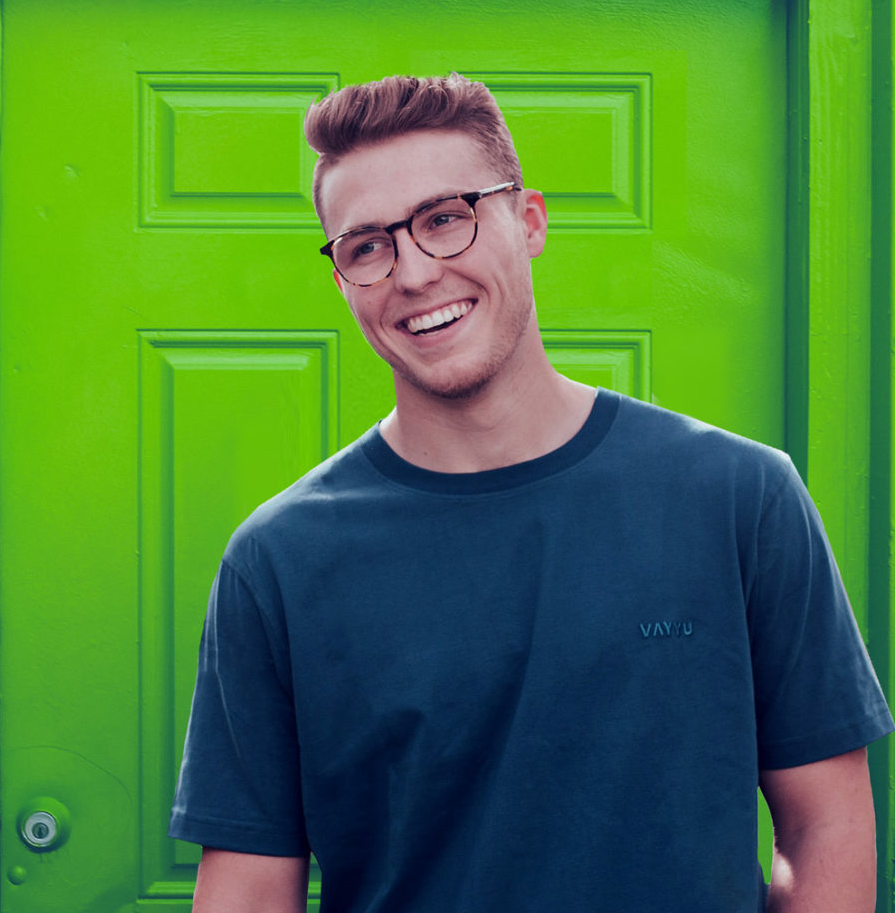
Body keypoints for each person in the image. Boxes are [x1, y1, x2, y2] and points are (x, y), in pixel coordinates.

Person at [169, 74, 894, 912]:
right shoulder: (281, 559)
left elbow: (826, 830)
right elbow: (250, 890)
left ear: (529, 220)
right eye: (367, 246)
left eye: (446, 219)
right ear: (343, 281)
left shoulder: (738, 496)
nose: (413, 271)